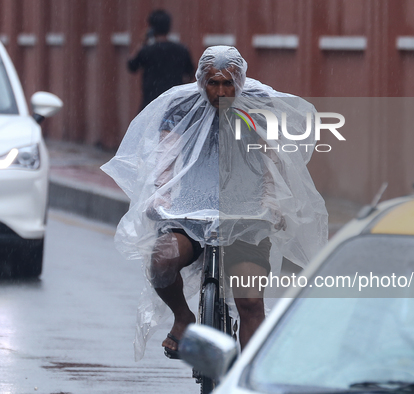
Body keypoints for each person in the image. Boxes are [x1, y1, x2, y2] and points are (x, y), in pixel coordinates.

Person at [102, 46, 328, 361]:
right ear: (200, 81)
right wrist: (160, 194)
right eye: (212, 83)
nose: (220, 91)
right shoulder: (182, 106)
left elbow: (271, 158)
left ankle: (246, 379)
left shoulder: (258, 106)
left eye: (228, 84)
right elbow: (166, 156)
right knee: (161, 262)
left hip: (246, 215)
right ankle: (183, 318)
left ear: (240, 81)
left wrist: (273, 199)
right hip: (187, 213)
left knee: (250, 303)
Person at [127, 9, 195, 110]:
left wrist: (142, 43)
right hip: (174, 102)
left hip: (151, 102)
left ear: (152, 28)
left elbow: (131, 66)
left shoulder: (147, 51)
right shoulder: (181, 50)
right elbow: (191, 73)